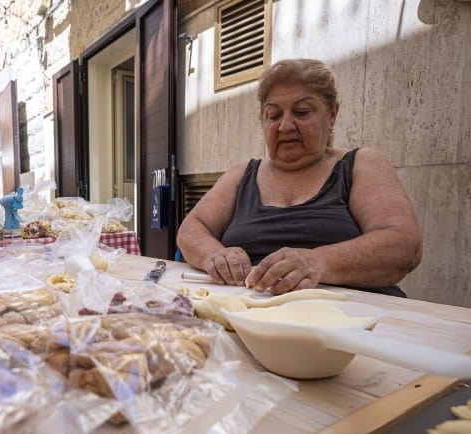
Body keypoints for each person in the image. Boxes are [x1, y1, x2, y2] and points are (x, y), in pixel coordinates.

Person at [176, 58, 422, 297]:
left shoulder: (361, 164)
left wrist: (318, 262)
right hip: (249, 317)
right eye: (273, 116)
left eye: (302, 112)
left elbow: (403, 246)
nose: (285, 126)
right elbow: (191, 230)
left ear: (332, 114)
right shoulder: (243, 173)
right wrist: (216, 255)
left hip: (352, 322)